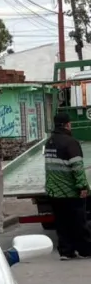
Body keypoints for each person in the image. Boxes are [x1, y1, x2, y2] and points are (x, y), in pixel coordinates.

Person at [44, 111, 91, 260]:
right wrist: (83, 186)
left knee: (61, 223)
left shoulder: (49, 142)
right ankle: (85, 250)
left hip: (54, 191)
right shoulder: (71, 143)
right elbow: (77, 166)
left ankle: (66, 251)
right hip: (70, 191)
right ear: (68, 125)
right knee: (78, 221)